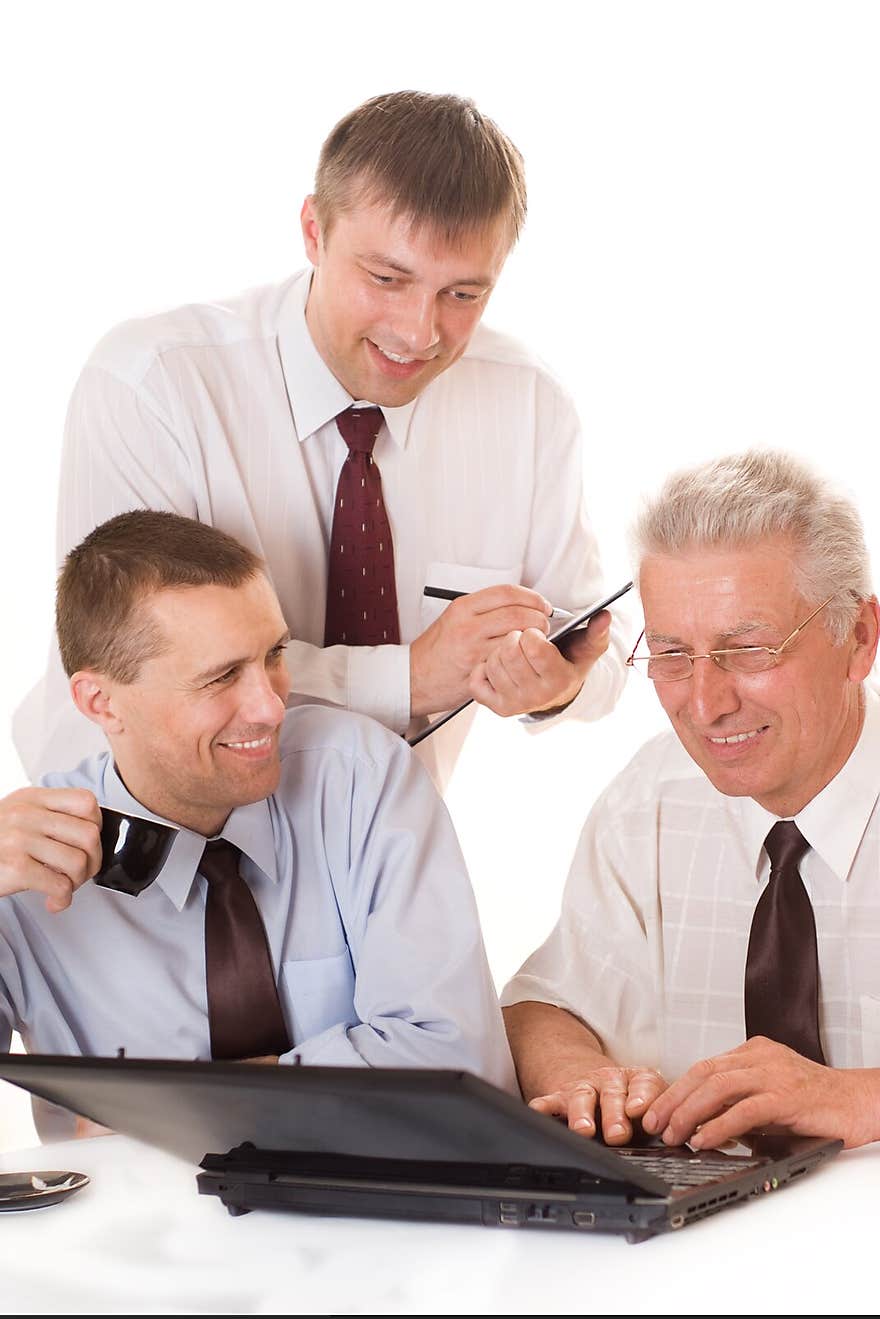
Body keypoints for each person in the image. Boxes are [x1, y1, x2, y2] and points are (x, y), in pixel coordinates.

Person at [14, 89, 629, 792]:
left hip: (376, 856)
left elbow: (600, 657)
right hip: (139, 841)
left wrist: (554, 684)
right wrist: (411, 675)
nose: (418, 332)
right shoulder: (153, 383)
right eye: (386, 278)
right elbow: (148, 673)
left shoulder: (528, 406)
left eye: (462, 295)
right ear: (313, 231)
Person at [0, 510, 515, 1139]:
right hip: (126, 1234)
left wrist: (176, 1111)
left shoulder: (358, 777)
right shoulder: (25, 861)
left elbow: (461, 1071)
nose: (271, 706)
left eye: (273, 655)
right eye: (221, 677)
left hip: (375, 1229)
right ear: (101, 703)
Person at [502, 449, 880, 1152]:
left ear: (858, 638)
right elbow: (542, 1005)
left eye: (750, 648)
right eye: (673, 654)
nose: (705, 705)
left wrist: (857, 1096)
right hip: (703, 1245)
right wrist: (582, 1073)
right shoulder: (650, 800)